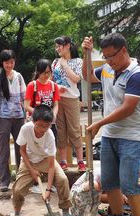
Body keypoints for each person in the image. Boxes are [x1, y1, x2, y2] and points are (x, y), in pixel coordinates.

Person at [82, 33, 140, 216]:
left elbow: (128, 109)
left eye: (112, 56)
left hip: (131, 138)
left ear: (124, 51)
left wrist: (100, 123)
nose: (109, 61)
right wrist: (85, 54)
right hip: (110, 137)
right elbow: (87, 75)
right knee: (110, 184)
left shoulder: (137, 75)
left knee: (129, 185)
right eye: (105, 56)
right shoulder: (107, 70)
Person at [11, 105, 76, 216]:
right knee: (18, 189)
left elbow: (51, 165)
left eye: (46, 126)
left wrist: (48, 190)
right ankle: (17, 213)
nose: (42, 129)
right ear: (33, 121)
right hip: (28, 161)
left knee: (62, 179)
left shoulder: (50, 135)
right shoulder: (26, 129)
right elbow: (22, 151)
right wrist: (31, 170)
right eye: (39, 125)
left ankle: (66, 213)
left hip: (45, 159)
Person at [0, 50, 26, 192]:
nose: (9, 65)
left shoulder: (18, 77)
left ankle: (21, 179)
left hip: (18, 118)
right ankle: (4, 181)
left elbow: (24, 98)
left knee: (21, 149)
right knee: (4, 151)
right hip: (3, 118)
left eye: (11, 62)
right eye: (6, 62)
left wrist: (27, 115)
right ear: (2, 62)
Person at [52, 36, 86, 171]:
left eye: (60, 45)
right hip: (58, 99)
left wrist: (65, 64)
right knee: (61, 131)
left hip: (72, 98)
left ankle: (80, 161)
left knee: (74, 129)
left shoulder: (78, 61)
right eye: (56, 46)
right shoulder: (55, 62)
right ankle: (63, 161)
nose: (57, 48)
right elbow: (52, 79)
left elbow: (76, 78)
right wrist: (56, 87)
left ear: (68, 46)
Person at [24, 58, 60, 137]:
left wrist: (53, 114)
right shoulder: (32, 85)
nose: (47, 75)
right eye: (44, 73)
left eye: (49, 72)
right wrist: (40, 114)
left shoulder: (54, 86)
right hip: (35, 122)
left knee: (51, 145)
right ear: (38, 72)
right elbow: (26, 106)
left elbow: (56, 104)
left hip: (50, 122)